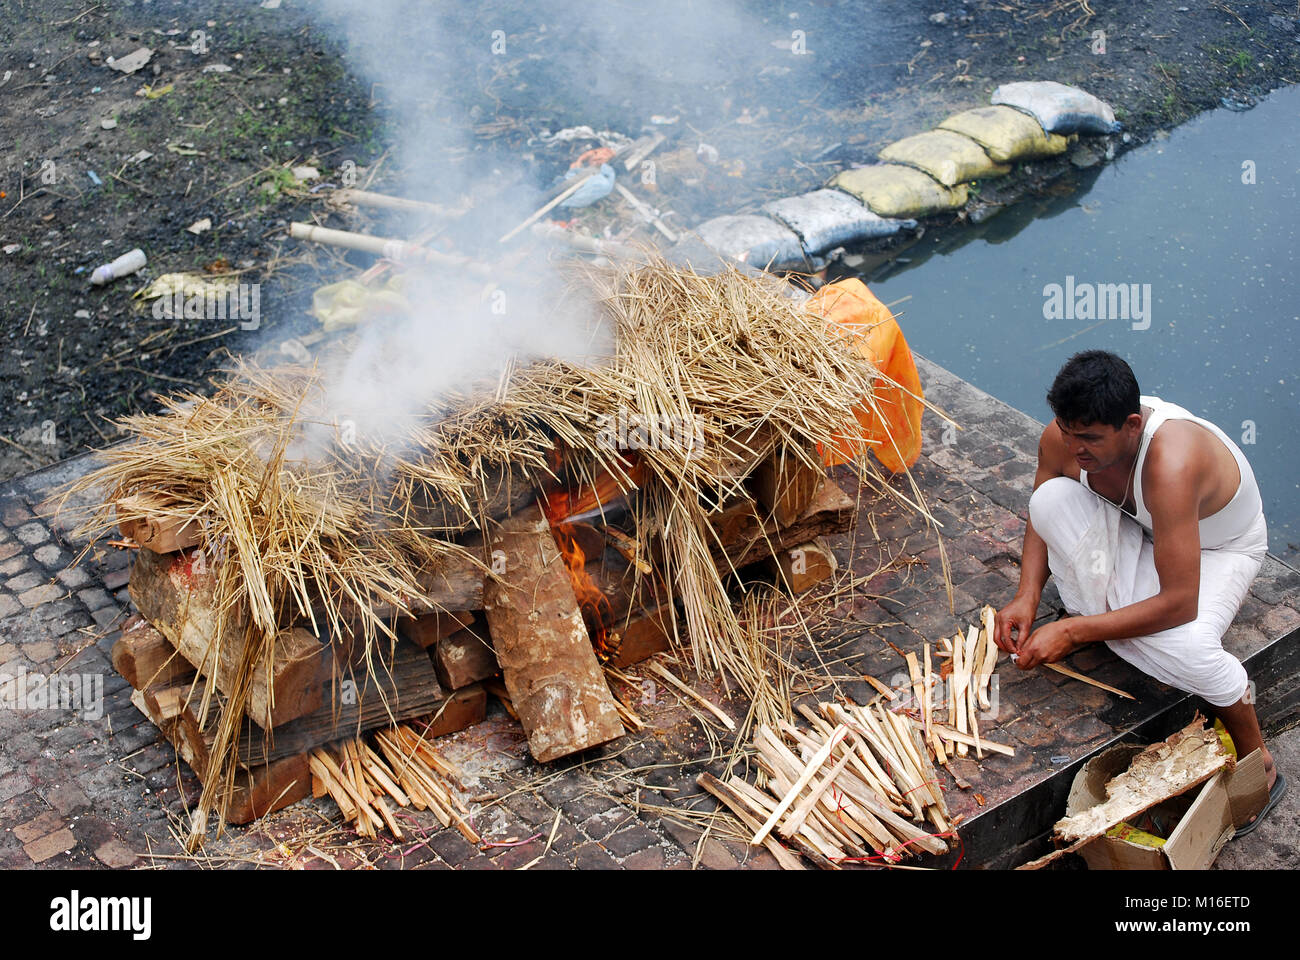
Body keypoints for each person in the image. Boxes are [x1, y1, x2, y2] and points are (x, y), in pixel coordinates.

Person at [995, 349, 1285, 832]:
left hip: (1221, 550)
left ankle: (1262, 764)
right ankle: (1119, 625)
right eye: (1068, 433)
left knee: (1189, 648)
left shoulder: (1170, 463)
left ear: (1132, 424)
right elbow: (1039, 512)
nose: (1075, 449)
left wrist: (1073, 631)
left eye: (1089, 439)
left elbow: (1179, 601)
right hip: (1147, 531)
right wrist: (1026, 594)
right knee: (1051, 499)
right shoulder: (1063, 438)